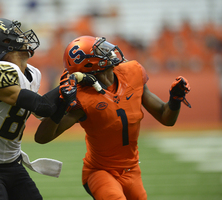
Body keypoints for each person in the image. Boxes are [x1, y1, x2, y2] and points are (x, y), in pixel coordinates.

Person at [34, 36, 191, 200]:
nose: (109, 51)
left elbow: (166, 118)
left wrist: (175, 99)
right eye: (100, 51)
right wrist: (62, 105)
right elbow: (42, 138)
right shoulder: (82, 96)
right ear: (89, 63)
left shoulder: (132, 72)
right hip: (99, 172)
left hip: (132, 171)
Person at [0, 18, 77, 200]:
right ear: (5, 42)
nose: (24, 37)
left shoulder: (32, 73)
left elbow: (42, 113)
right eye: (17, 34)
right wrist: (71, 80)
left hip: (13, 163)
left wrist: (68, 99)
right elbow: (44, 106)